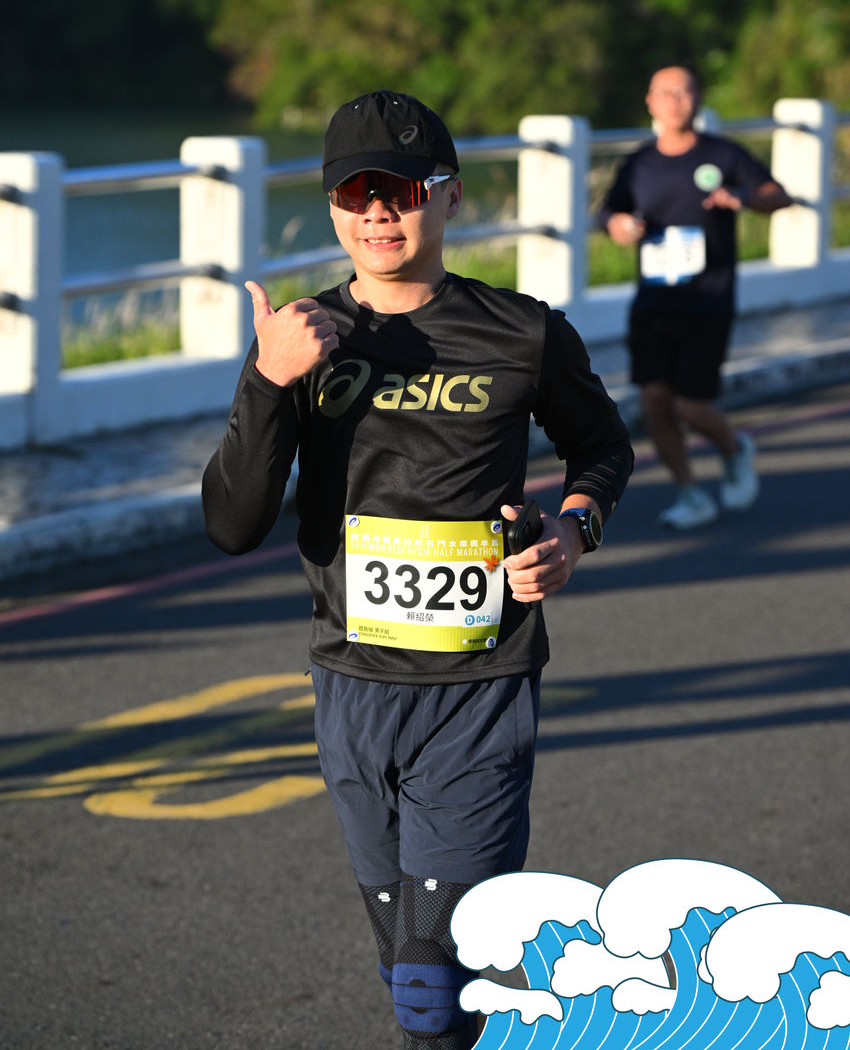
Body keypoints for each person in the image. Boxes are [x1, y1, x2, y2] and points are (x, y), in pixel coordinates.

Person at [202, 90, 633, 1049]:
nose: (377, 212)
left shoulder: (522, 332)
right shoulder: (300, 340)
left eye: (399, 190)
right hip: (350, 688)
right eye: (354, 193)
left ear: (448, 197)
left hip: (479, 689)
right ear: (332, 205)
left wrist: (573, 530)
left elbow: (602, 445)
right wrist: (269, 380)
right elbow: (232, 525)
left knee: (429, 985)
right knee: (416, 974)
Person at [599, 63, 791, 531]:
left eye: (683, 91)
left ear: (698, 98)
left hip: (708, 299)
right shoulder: (639, 162)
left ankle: (735, 449)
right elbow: (608, 212)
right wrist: (618, 225)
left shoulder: (722, 154)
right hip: (653, 301)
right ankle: (690, 493)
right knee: (654, 403)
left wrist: (741, 197)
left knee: (691, 406)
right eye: (664, 92)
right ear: (650, 101)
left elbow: (778, 195)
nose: (674, 101)